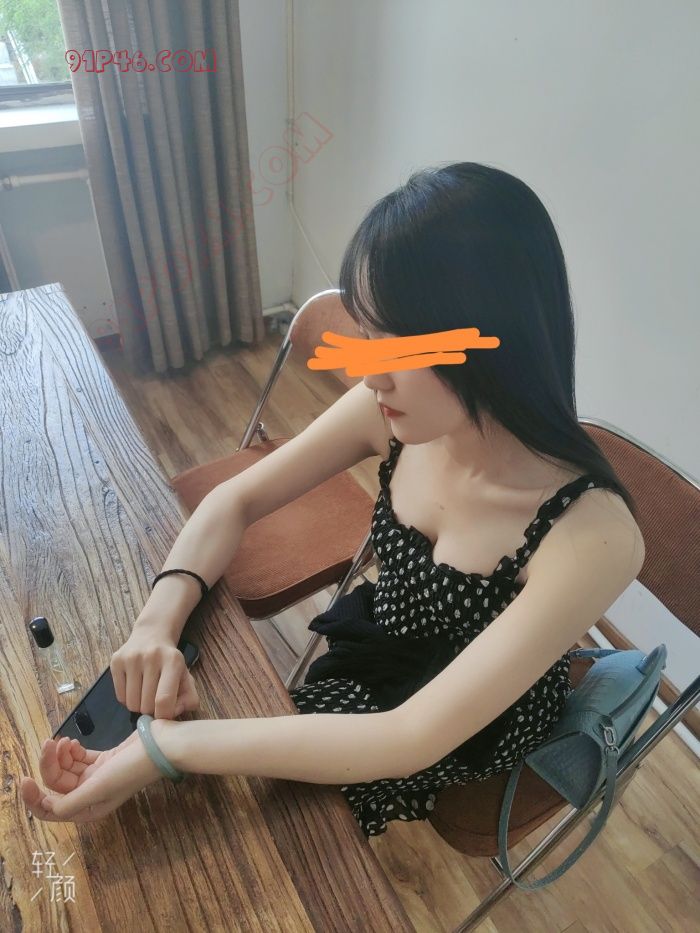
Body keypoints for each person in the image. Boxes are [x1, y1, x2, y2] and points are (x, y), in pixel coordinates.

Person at [20, 162, 644, 828]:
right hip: (380, 652)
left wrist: (165, 748)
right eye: (368, 337)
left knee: (256, 824)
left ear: (498, 337)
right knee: (229, 762)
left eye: (402, 344)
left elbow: (408, 738)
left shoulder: (592, 536)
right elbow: (234, 500)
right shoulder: (391, 412)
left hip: (463, 719)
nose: (370, 372)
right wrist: (155, 624)